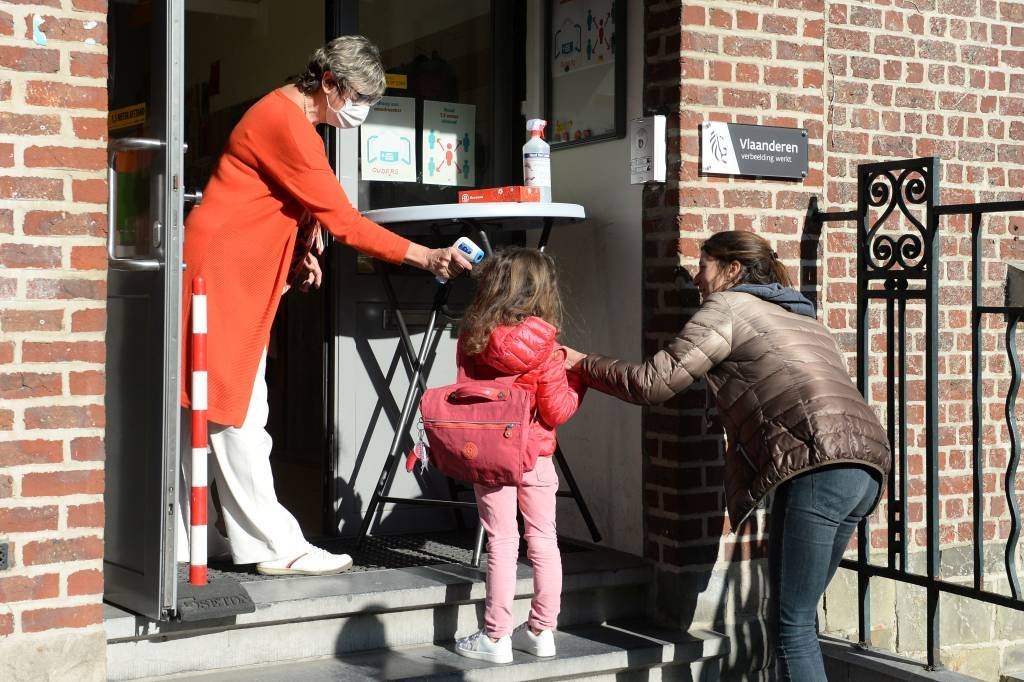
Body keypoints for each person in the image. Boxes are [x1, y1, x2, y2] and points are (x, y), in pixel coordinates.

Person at [177, 36, 474, 577]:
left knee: (206, 402)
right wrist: (426, 257)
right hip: (223, 273)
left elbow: (285, 199)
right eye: (359, 96)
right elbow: (345, 220)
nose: (363, 110)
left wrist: (299, 249)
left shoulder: (290, 117)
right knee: (236, 409)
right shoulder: (287, 123)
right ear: (331, 83)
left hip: (225, 266)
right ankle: (274, 545)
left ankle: (194, 535)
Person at [563, 231, 890, 681]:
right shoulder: (804, 319)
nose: (697, 276)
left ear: (732, 269)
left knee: (791, 626)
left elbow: (655, 382)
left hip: (818, 466)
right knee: (795, 616)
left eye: (704, 264)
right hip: (865, 467)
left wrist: (582, 364)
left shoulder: (729, 307)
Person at [452, 248, 586, 664]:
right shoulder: (547, 351)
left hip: (491, 454)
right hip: (537, 457)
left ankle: (495, 638)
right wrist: (578, 379)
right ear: (543, 292)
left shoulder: (472, 338)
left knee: (502, 541)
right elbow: (557, 411)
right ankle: (541, 630)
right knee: (543, 540)